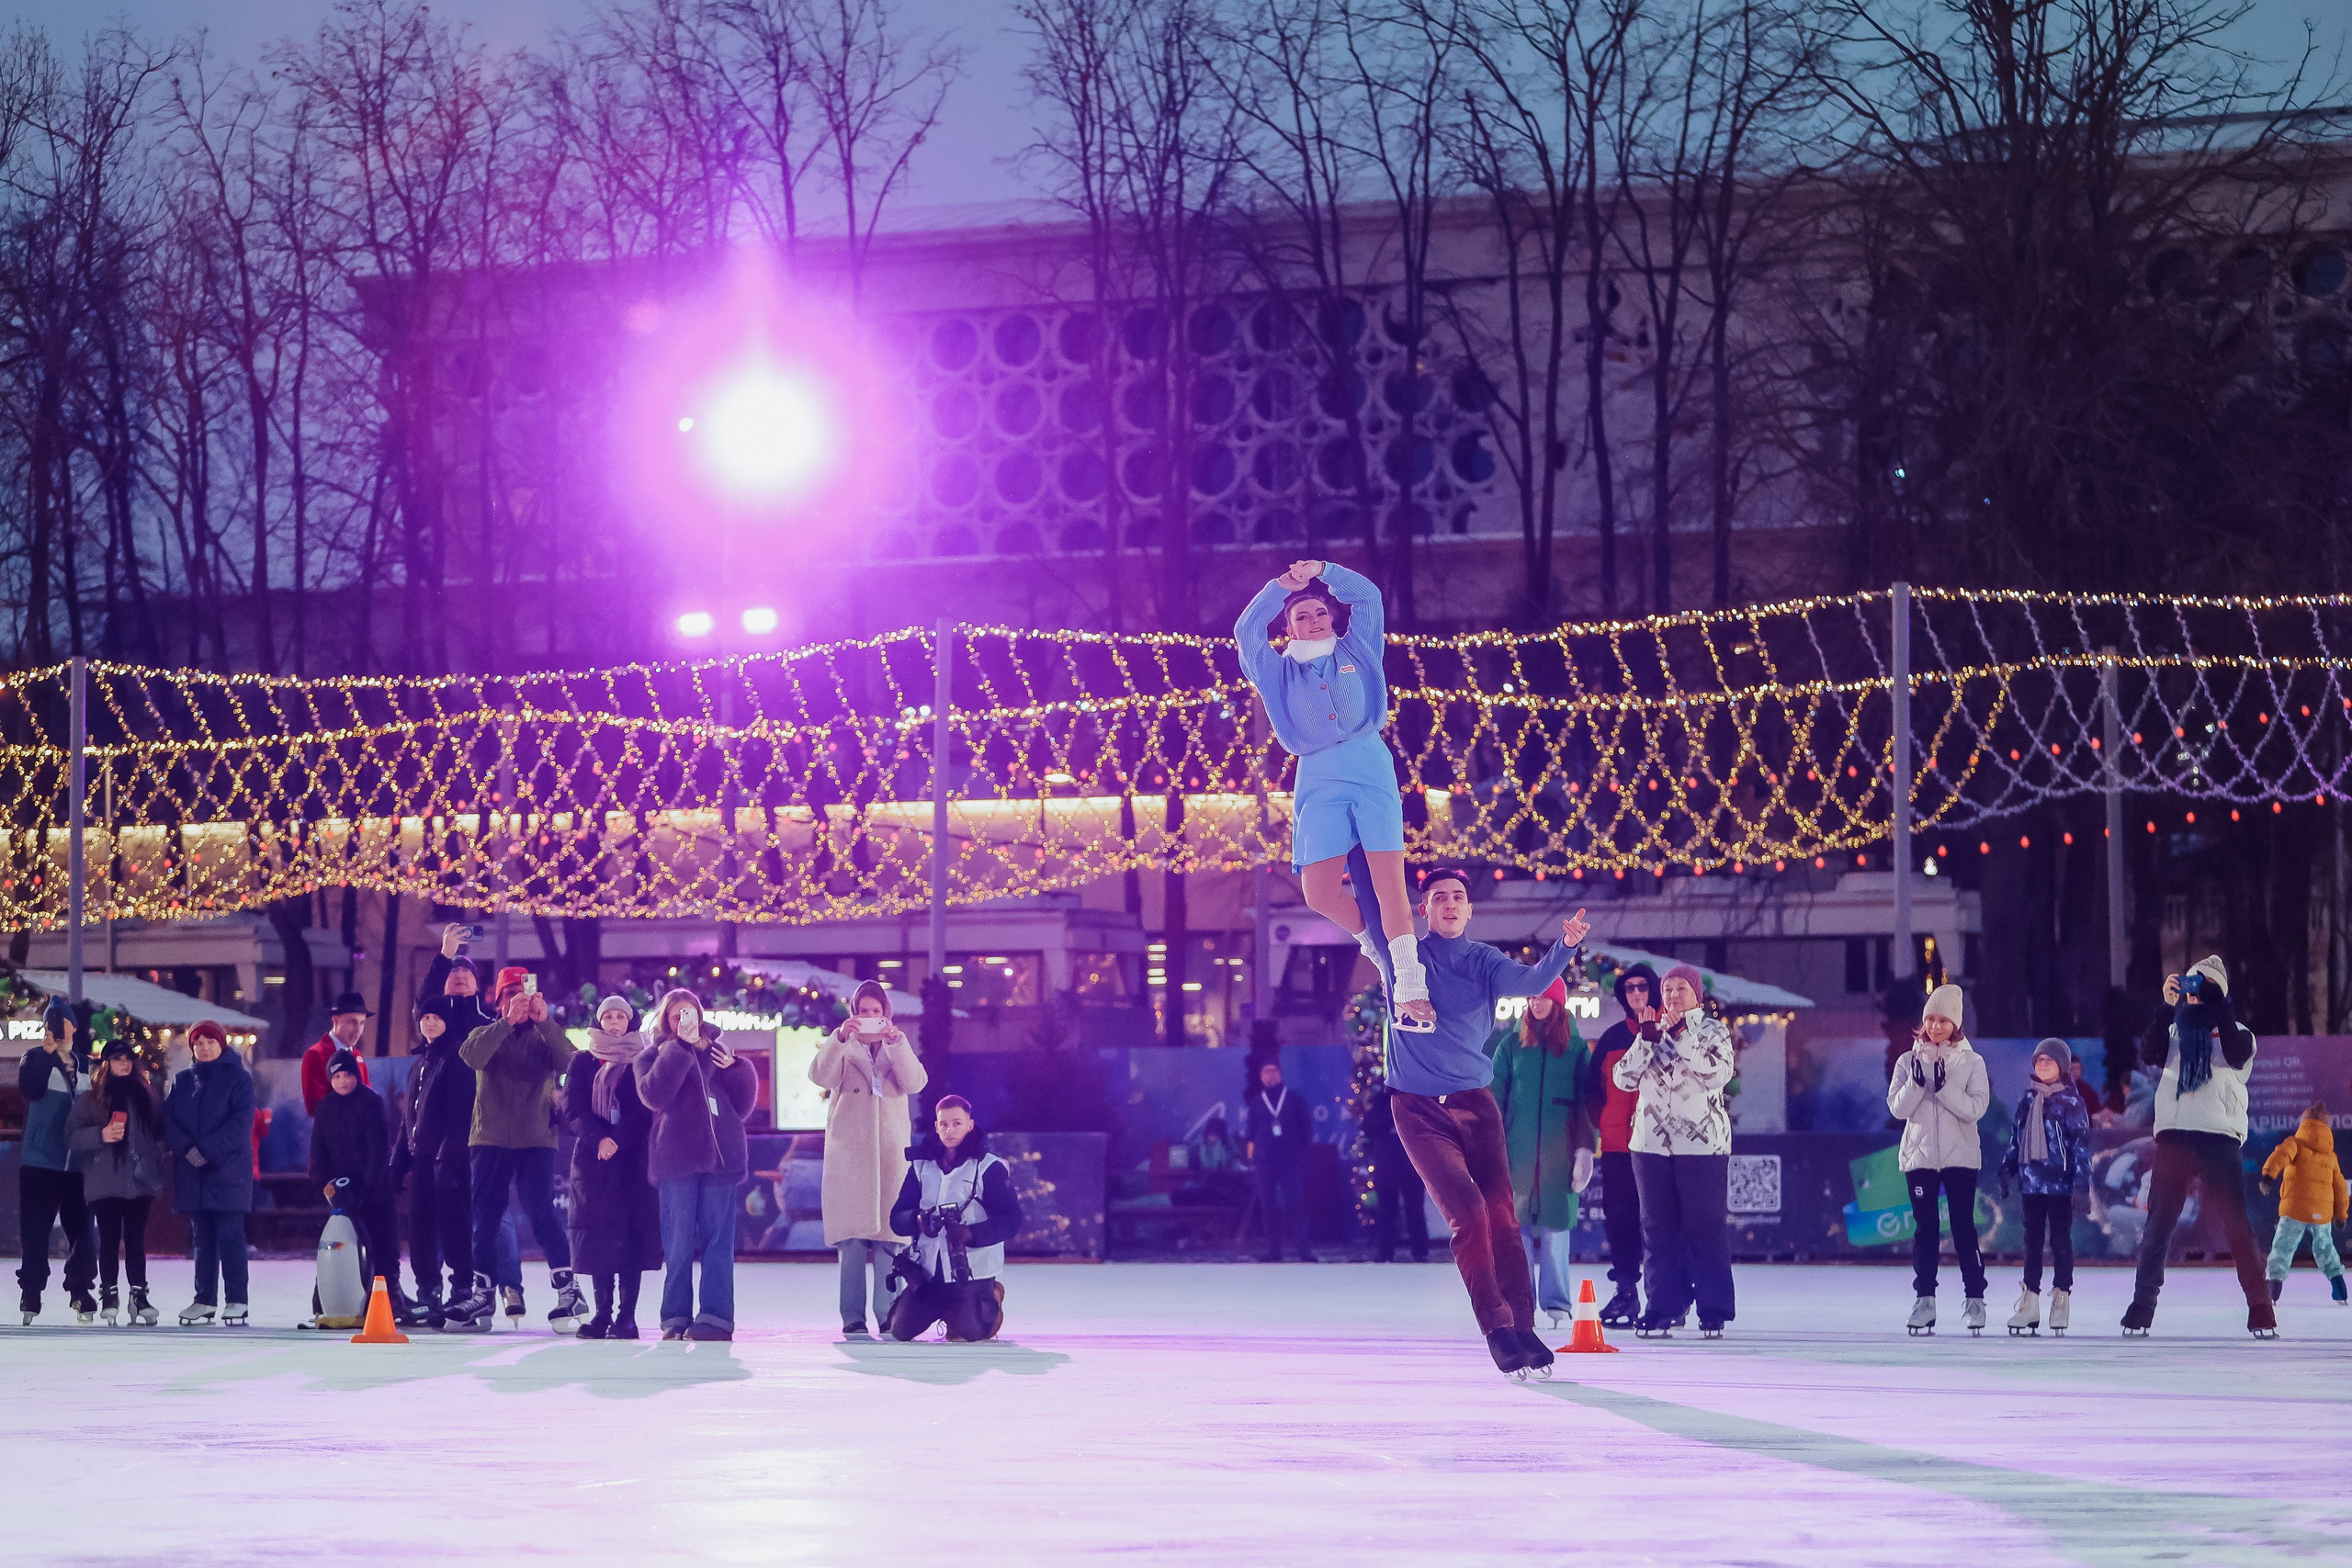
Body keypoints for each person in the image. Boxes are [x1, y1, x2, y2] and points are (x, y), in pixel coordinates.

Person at [1383, 864, 1591, 1378]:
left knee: (1503, 1214)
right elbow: (1372, 911)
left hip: (1475, 1103)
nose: (1450, 903)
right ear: (1424, 909)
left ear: (1470, 909)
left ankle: (1523, 1325)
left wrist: (1565, 945)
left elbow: (1534, 980)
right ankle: (1497, 1327)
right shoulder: (1405, 956)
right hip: (1418, 1109)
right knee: (1470, 1214)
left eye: (1458, 896)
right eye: (1439, 897)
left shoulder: (1483, 960)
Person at [1234, 558, 1435, 1036]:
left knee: (1390, 887)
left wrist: (1324, 571)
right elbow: (1246, 631)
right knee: (1319, 892)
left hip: (1370, 767)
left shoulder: (1357, 647)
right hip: (1318, 778)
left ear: (1332, 617)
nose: (1314, 620)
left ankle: (1411, 983)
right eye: (1301, 616)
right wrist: (1281, 587)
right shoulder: (1277, 671)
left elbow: (1368, 596)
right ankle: (1377, 950)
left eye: (1320, 612)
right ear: (1288, 629)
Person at [2122, 956, 2275, 1337]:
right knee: (2157, 1226)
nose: (2195, 994)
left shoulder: (2238, 1032)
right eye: (2191, 986)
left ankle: (2261, 1306)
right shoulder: (2173, 1030)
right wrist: (2165, 1007)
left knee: (2236, 1226)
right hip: (2175, 1137)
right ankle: (2142, 1305)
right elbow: (2150, 1053)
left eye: (2203, 987)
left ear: (2220, 992)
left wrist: (2219, 1006)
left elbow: (2237, 1055)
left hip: (2219, 1138)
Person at [446, 968, 584, 1333]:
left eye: (524, 993)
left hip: (535, 1138)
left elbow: (572, 1064)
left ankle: (569, 1289)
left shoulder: (545, 1036)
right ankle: (483, 1293)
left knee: (542, 1214)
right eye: (510, 994)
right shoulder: (485, 1032)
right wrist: (506, 1023)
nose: (518, 1001)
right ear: (498, 1000)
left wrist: (546, 1022)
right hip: (489, 1138)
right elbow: (471, 1056)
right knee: (485, 1219)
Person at [1614, 964, 1739, 1339]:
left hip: (1702, 1147)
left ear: (1696, 995)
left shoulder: (1713, 1030)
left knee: (1705, 1227)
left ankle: (1713, 1310)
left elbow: (1717, 1074)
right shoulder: (1649, 1029)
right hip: (1650, 1145)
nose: (1672, 995)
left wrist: (1683, 1036)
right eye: (1667, 988)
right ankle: (1662, 1308)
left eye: (1681, 988)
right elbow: (1623, 1079)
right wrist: (1646, 1040)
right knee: (1658, 1229)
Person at [636, 988, 758, 1341]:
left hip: (721, 1159)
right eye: (678, 1016)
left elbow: (742, 1106)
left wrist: (737, 1069)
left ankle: (716, 1319)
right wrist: (679, 1048)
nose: (685, 1021)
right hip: (675, 1162)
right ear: (666, 1020)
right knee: (677, 1246)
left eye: (690, 1014)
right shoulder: (651, 1056)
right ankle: (675, 1317)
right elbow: (655, 1095)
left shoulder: (717, 1052)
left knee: (718, 1244)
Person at [810, 981, 928, 1338]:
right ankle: (852, 1317)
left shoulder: (897, 1046)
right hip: (850, 1157)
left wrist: (897, 1044)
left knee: (890, 1240)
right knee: (851, 1242)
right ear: (854, 1014)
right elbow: (819, 1076)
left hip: (890, 1157)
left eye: (877, 1012)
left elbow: (916, 1082)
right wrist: (839, 1039)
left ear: (886, 1014)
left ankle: (889, 1313)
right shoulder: (843, 1047)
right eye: (864, 1011)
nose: (870, 1018)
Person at [1887, 983, 1991, 1336]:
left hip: (1960, 1156)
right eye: (1930, 1019)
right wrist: (1917, 1085)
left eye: (1943, 1021)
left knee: (1963, 1228)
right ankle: (1925, 1300)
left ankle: (1975, 1299)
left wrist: (1945, 1090)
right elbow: (1897, 1109)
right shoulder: (1907, 1061)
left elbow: (1976, 1109)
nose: (1935, 1027)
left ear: (1955, 1024)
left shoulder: (1972, 1062)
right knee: (1926, 1230)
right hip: (1920, 1157)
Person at [1491, 977, 1594, 1330]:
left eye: (1544, 997)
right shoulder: (1510, 1046)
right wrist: (1490, 1148)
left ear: (1558, 1003)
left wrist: (1584, 1149)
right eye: (1532, 997)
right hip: (1516, 1153)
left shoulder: (1577, 1050)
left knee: (1556, 1228)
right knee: (1515, 1230)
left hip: (1559, 1153)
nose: (1536, 1003)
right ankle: (1520, 1303)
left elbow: (1586, 1104)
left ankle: (1557, 1302)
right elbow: (1495, 1099)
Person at [561, 997, 663, 1338]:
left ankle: (626, 1317)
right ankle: (602, 1314)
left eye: (621, 1016)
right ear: (599, 1021)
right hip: (593, 1161)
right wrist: (599, 1139)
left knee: (631, 1237)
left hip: (633, 1160)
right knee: (597, 1238)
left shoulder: (644, 1059)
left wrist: (617, 1139)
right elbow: (572, 1108)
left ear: (630, 1022)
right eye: (608, 1016)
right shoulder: (582, 1061)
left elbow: (646, 1108)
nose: (615, 1022)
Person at [887, 1096, 1025, 1342]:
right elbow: (897, 1217)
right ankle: (949, 1309)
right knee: (900, 1330)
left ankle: (989, 1295)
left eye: (957, 1123)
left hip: (972, 1270)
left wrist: (972, 1234)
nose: (949, 1130)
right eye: (944, 1124)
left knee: (972, 1332)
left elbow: (1012, 1219)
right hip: (930, 1271)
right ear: (936, 1126)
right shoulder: (920, 1166)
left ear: (970, 1125)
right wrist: (917, 1221)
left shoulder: (988, 1167)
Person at [308, 1048, 413, 1323]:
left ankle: (390, 1298)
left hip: (374, 1192)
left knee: (383, 1246)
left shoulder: (371, 1102)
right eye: (337, 1076)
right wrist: (323, 1183)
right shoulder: (325, 1107)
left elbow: (379, 1148)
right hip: (341, 1194)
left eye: (348, 1075)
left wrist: (368, 1186)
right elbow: (318, 1150)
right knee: (343, 1247)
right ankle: (329, 1297)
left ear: (356, 1075)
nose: (343, 1081)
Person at [1580, 964, 1659, 1328]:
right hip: (1617, 1146)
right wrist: (1604, 1121)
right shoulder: (1612, 1037)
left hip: (1659, 1146)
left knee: (1660, 1222)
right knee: (1620, 1220)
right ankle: (1626, 1292)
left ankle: (1665, 1296)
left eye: (1643, 986)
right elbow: (1592, 1088)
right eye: (1630, 988)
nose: (1637, 993)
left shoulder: (1668, 1031)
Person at [65, 1039, 164, 1326]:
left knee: (136, 1239)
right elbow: (71, 1136)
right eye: (118, 1059)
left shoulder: (146, 1095)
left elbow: (159, 1131)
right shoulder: (90, 1098)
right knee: (109, 1239)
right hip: (105, 1179)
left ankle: (139, 1295)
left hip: (139, 1180)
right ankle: (109, 1294)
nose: (124, 1064)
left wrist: (155, 1155)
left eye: (128, 1059)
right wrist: (101, 1135)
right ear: (106, 1064)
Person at [392, 995, 478, 1328]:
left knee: (454, 1225)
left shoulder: (456, 1059)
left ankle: (462, 1289)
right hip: (422, 1160)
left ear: (447, 1021)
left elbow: (461, 1116)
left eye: (437, 1017)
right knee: (421, 1230)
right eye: (425, 1017)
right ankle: (428, 1291)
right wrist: (398, 1163)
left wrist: (448, 1158)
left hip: (449, 1162)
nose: (430, 1023)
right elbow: (408, 1122)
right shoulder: (419, 1064)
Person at [164, 1020, 255, 1326]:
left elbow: (240, 1124)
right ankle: (204, 1300)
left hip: (228, 1172)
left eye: (210, 1042)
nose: (204, 1048)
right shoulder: (182, 1081)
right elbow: (169, 1122)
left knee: (230, 1236)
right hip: (193, 1174)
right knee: (201, 1239)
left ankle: (237, 1300)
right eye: (198, 1043)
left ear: (221, 1044)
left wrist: (206, 1150)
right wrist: (189, 1151)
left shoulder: (239, 1079)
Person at [1998, 1039, 2092, 1336]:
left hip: (2061, 1185)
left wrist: (2082, 1185)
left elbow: (2081, 1146)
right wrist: (2008, 1167)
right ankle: (2030, 1302)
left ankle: (2061, 1298)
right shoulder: (2028, 1099)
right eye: (2039, 1061)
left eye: (2049, 1061)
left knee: (2060, 1241)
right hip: (2032, 1183)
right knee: (2032, 1242)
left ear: (2062, 1066)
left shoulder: (2072, 1102)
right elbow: (2017, 1137)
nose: (2043, 1065)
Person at [16, 999, 96, 1325]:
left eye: (62, 1024)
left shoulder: (87, 1065)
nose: (57, 1031)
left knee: (83, 1230)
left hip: (78, 1163)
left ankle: (80, 1289)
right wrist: (47, 1054)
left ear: (74, 1027)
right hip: (40, 1162)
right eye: (51, 1024)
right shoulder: (34, 1057)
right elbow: (30, 1089)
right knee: (35, 1230)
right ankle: (31, 1290)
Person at [2259, 1101, 2346, 1304]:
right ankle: (2340, 1288)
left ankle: (2274, 1288)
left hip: (2295, 1209)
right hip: (2322, 1212)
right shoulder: (2331, 1157)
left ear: (2304, 1123)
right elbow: (2341, 1187)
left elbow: (2280, 1155)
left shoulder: (2295, 1143)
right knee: (2326, 1248)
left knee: (2283, 1247)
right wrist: (2340, 1215)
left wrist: (2268, 1176)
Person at [1248, 1059, 1317, 1262]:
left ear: (1280, 1073)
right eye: (1266, 1071)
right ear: (1261, 1076)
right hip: (1264, 1162)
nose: (1270, 1075)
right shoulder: (1256, 1103)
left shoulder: (1295, 1100)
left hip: (1289, 1161)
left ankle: (1304, 1250)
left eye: (1273, 1071)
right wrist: (1254, 1157)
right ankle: (1274, 1251)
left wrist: (1299, 1156)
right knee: (1268, 1206)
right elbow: (1250, 1133)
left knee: (1295, 1204)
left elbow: (1306, 1131)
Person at [1363, 1085, 1430, 1264]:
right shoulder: (1382, 1101)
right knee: (1390, 1212)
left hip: (1408, 1164)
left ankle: (1417, 1250)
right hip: (1393, 1165)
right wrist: (1393, 1121)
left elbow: (1423, 1126)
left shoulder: (1414, 1098)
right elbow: (1368, 1126)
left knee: (1412, 1210)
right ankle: (1388, 1251)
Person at [300, 992, 373, 1116]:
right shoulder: (315, 1055)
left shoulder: (357, 1055)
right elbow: (315, 1106)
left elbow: (368, 1096)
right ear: (335, 1020)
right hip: (332, 1128)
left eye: (362, 1023)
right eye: (353, 1022)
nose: (358, 1030)